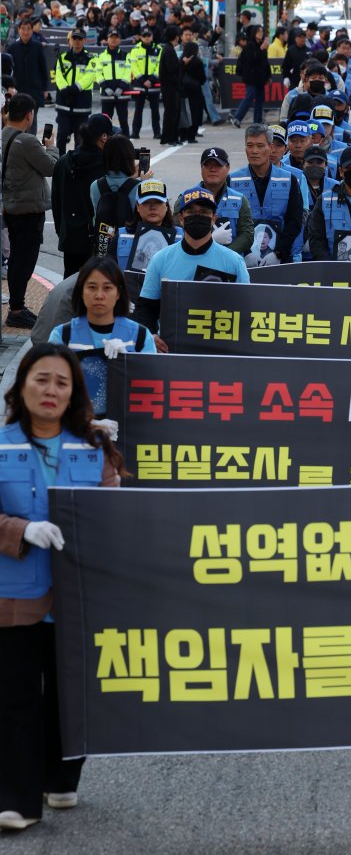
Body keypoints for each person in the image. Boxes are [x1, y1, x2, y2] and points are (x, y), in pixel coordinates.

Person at [0, 343, 122, 831]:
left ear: (73, 394)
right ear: (22, 385)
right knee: (14, 697)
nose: (50, 390)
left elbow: (117, 521)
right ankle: (16, 798)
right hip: (14, 595)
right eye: (41, 379)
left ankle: (61, 775)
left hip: (77, 596)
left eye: (62, 383)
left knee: (72, 694)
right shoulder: (2, 445)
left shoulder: (94, 449)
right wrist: (17, 531)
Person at [134, 186, 250, 338]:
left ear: (213, 218)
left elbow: (247, 310)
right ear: (181, 218)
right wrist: (151, 336)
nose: (197, 216)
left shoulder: (234, 262)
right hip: (172, 349)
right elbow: (146, 308)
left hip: (219, 347)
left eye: (204, 212)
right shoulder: (160, 259)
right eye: (191, 212)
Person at [48, 257, 156, 417]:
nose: (99, 295)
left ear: (118, 292)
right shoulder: (63, 335)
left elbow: (151, 389)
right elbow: (49, 385)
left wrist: (129, 363)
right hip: (74, 431)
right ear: (81, 291)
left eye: (107, 288)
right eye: (91, 287)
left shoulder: (140, 336)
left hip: (126, 429)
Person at [1, 94, 59, 329]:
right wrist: (51, 147)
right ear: (29, 115)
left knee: (16, 259)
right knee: (24, 261)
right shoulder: (27, 142)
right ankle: (16, 310)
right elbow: (51, 166)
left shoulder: (4, 136)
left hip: (12, 207)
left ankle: (17, 306)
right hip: (29, 210)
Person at [229, 124, 303, 264]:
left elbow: (294, 221)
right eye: (249, 145)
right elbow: (230, 222)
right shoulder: (232, 180)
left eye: (260, 146)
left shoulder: (289, 180)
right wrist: (244, 251)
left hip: (279, 259)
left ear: (270, 147)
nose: (254, 151)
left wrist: (279, 252)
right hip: (241, 259)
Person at [51, 113, 112, 278]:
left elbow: (55, 201)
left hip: (70, 235)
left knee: (70, 284)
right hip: (98, 238)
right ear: (104, 137)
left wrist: (61, 230)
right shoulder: (106, 166)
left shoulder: (64, 162)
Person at [108, 179, 182, 273]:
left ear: (166, 206)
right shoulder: (121, 237)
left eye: (158, 202)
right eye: (146, 202)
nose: (152, 207)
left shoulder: (182, 237)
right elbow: (108, 274)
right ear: (138, 206)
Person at [53, 29, 95, 154]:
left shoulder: (91, 59)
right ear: (70, 40)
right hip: (64, 103)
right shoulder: (62, 57)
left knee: (80, 138)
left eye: (80, 38)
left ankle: (77, 163)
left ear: (85, 40)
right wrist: (65, 89)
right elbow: (59, 76)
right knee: (62, 135)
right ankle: (60, 162)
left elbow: (89, 77)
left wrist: (75, 88)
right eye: (74, 38)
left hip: (81, 104)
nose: (77, 41)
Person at [6, 19, 49, 134]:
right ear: (18, 30)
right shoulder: (12, 48)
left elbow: (43, 68)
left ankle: (30, 144)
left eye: (28, 29)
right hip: (17, 89)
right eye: (23, 29)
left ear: (32, 30)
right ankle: (17, 143)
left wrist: (45, 88)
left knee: (31, 119)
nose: (25, 32)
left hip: (34, 89)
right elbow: (8, 71)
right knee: (16, 119)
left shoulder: (38, 46)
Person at [94, 29, 132, 137]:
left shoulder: (126, 55)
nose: (114, 40)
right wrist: (105, 87)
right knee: (105, 122)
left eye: (116, 38)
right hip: (107, 95)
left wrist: (121, 87)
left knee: (124, 121)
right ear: (107, 40)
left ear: (120, 40)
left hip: (122, 94)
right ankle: (106, 145)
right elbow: (98, 73)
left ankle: (126, 144)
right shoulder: (100, 56)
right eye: (111, 37)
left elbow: (128, 72)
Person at [232, 24, 269, 127]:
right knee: (249, 96)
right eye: (258, 32)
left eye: (262, 32)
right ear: (254, 33)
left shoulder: (262, 45)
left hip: (260, 77)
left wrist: (268, 75)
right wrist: (261, 49)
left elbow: (265, 62)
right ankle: (237, 117)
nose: (260, 34)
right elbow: (252, 59)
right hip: (251, 77)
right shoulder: (250, 45)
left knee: (260, 99)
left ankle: (257, 120)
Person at [128, 29, 162, 139]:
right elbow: (133, 66)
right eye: (144, 36)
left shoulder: (158, 49)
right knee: (138, 109)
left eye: (149, 35)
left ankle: (157, 132)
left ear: (152, 36)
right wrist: (143, 80)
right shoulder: (135, 49)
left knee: (155, 110)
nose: (147, 37)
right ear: (141, 37)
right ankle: (135, 132)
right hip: (140, 83)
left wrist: (151, 79)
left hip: (154, 83)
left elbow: (159, 65)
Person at [158, 24, 182, 146]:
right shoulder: (168, 50)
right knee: (171, 113)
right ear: (175, 36)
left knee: (173, 113)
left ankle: (172, 137)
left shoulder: (168, 49)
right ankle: (169, 138)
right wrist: (182, 62)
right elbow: (172, 68)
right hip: (169, 87)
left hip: (171, 87)